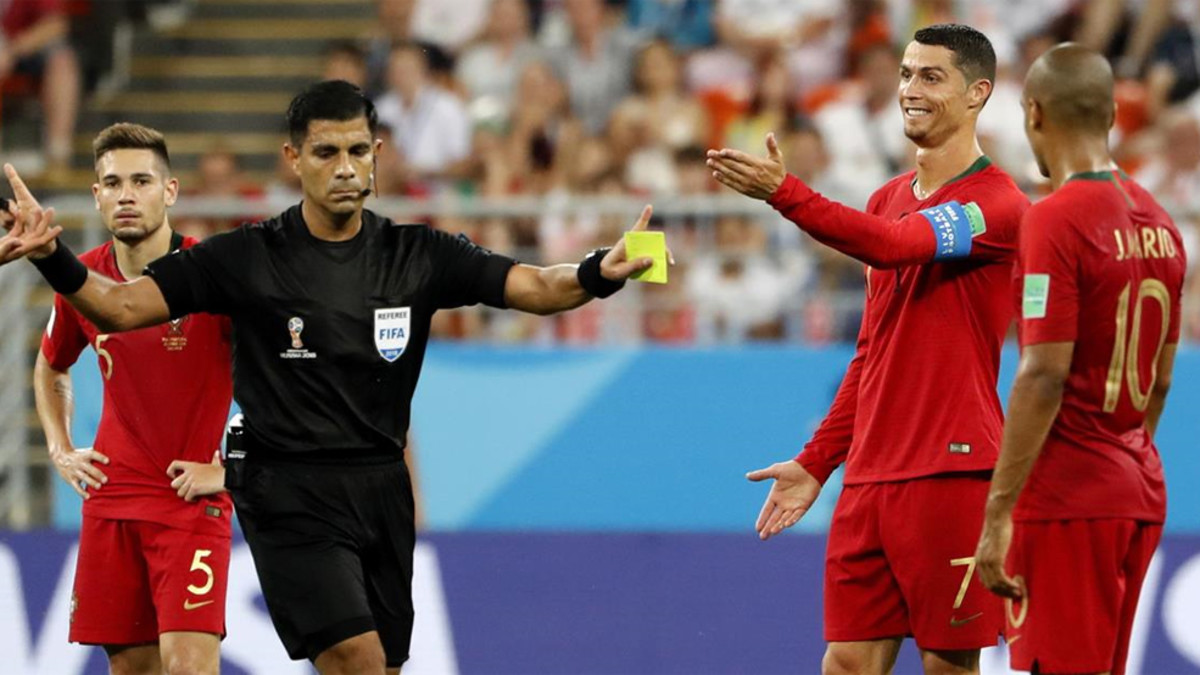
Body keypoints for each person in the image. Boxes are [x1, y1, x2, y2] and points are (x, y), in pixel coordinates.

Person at [7, 79, 664, 675]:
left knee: (380, 667)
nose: (346, 168)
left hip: (380, 487)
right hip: (289, 488)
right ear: (295, 160)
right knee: (354, 657)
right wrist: (52, 256)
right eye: (326, 153)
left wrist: (595, 272)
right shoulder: (247, 258)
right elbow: (118, 305)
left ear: (376, 153)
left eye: (357, 150)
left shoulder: (419, 254)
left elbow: (534, 286)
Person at [708, 24, 1030, 674]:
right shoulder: (885, 199)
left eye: (931, 76)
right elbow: (872, 352)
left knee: (946, 665)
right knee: (848, 662)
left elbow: (895, 246)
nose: (911, 89)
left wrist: (785, 192)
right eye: (908, 74)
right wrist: (819, 460)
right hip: (871, 477)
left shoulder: (995, 204)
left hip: (950, 470)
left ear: (978, 94)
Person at [974, 44, 1187, 675]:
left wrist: (1000, 509)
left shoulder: (1054, 221)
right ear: (1112, 116)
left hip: (1068, 498)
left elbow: (1043, 371)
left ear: (1035, 114)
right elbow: (1162, 379)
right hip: (1138, 487)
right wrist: (1123, 459)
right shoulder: (1162, 224)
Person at [32, 123, 233, 675]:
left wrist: (234, 467)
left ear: (169, 191)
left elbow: (286, 380)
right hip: (112, 503)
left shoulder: (214, 275)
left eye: (141, 181)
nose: (126, 194)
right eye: (113, 182)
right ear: (95, 195)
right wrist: (60, 447)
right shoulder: (81, 281)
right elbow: (51, 366)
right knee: (132, 671)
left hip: (189, 504)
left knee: (190, 668)